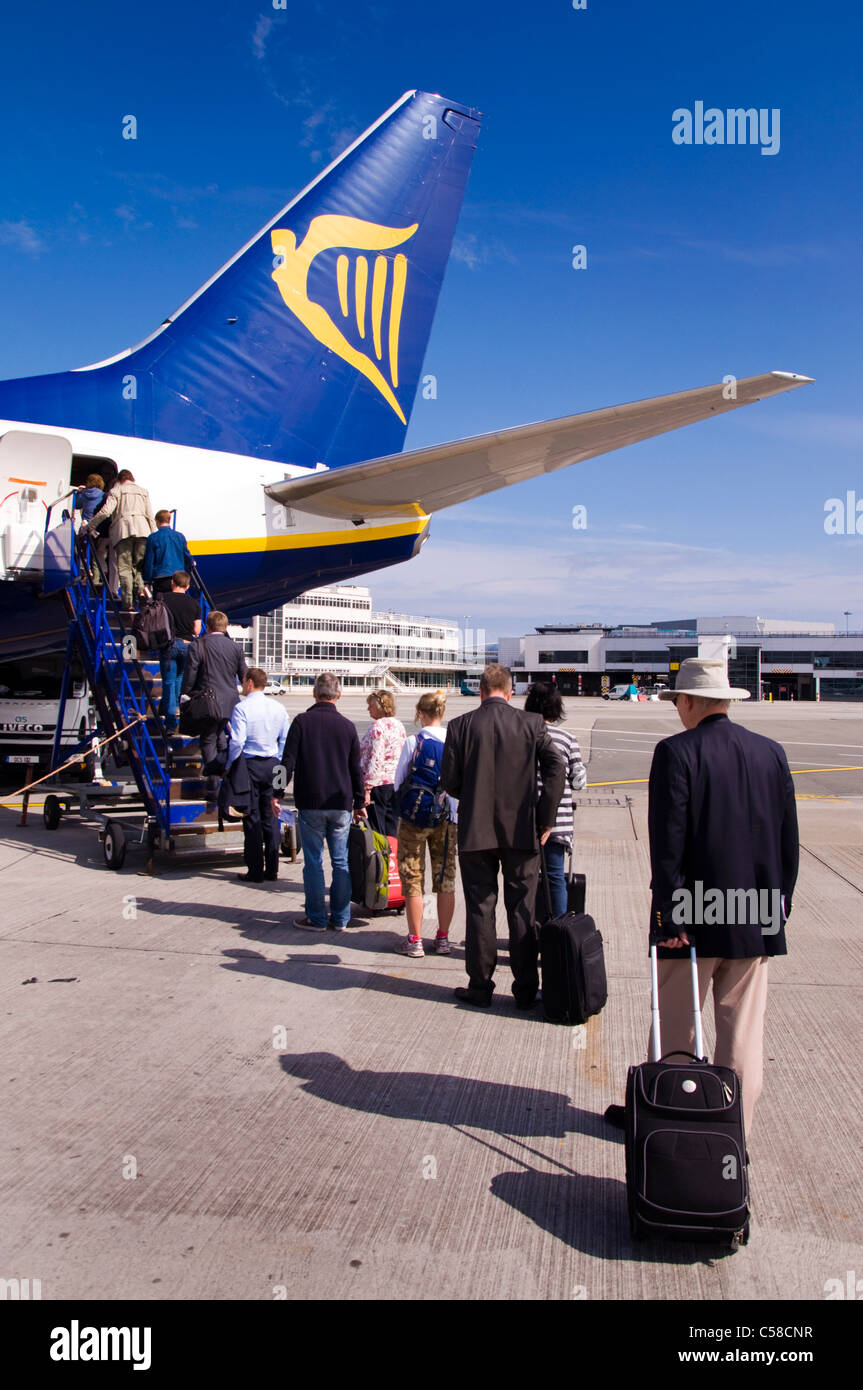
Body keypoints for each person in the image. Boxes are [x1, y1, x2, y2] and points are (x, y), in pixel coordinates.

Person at [604, 658, 799, 1137]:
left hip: (692, 916)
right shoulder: (770, 752)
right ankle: (733, 1134)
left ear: (688, 702)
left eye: (678, 703)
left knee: (677, 1031)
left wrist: (669, 918)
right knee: (742, 1036)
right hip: (755, 914)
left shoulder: (676, 752)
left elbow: (668, 843)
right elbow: (787, 840)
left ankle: (674, 1126)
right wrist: (778, 907)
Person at [441, 663, 565, 1009]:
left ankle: (480, 987)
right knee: (522, 909)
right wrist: (545, 816)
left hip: (475, 830)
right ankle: (526, 988)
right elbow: (557, 766)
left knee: (481, 908)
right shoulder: (531, 724)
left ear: (481, 691)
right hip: (522, 830)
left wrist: (475, 793)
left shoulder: (461, 725)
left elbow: (449, 781)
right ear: (510, 693)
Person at [280, 672, 365, 931]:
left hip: (311, 803)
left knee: (313, 862)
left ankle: (316, 918)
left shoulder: (302, 722)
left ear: (314, 693)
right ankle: (340, 918)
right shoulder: (348, 727)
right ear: (338, 695)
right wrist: (360, 802)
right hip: (341, 804)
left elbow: (286, 763)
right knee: (341, 861)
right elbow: (356, 770)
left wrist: (275, 794)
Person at [392, 691, 458, 958]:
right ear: (442, 713)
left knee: (413, 877)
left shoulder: (413, 742)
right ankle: (442, 938)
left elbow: (398, 781)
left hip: (414, 819)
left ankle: (415, 939)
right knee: (445, 879)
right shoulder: (455, 742)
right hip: (446, 818)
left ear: (421, 713)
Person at [524, 682, 587, 919]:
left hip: (525, 819)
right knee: (555, 877)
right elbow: (579, 781)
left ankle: (525, 934)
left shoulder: (522, 736)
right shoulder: (567, 739)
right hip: (557, 821)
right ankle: (559, 931)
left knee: (524, 881)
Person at [226, 667, 290, 883]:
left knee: (251, 818)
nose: (242, 685)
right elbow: (285, 742)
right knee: (271, 817)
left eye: (243, 681)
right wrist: (279, 765)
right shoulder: (279, 708)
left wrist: (230, 764)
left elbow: (237, 742)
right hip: (274, 763)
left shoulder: (242, 708)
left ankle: (255, 870)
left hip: (250, 764)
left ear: (250, 683)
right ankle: (272, 869)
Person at [180, 610, 247, 775]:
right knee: (220, 736)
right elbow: (244, 675)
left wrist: (185, 694)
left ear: (207, 627)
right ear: (225, 627)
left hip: (208, 701)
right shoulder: (236, 647)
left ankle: (213, 781)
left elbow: (191, 673)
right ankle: (224, 775)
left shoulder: (199, 644)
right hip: (230, 701)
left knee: (208, 739)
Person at [85, 469, 155, 610]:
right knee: (139, 565)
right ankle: (141, 591)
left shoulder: (116, 491)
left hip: (123, 532)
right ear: (132, 478)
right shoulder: (143, 491)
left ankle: (128, 602)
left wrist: (89, 526)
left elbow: (106, 512)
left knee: (125, 568)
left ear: (120, 479)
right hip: (143, 531)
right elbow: (150, 515)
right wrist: (154, 536)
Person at [158, 571, 202, 732]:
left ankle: (170, 723)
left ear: (172, 583)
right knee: (179, 681)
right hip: (187, 645)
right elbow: (197, 630)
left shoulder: (162, 599)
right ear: (188, 586)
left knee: (169, 683)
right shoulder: (194, 604)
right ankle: (173, 708)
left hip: (169, 644)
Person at [358, 689, 406, 835]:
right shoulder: (399, 725)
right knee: (392, 828)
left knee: (376, 829)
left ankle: (379, 857)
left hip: (378, 785)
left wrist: (367, 789)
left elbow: (375, 759)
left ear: (380, 707)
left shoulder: (377, 727)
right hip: (395, 783)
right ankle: (392, 856)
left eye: (370, 705)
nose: (368, 708)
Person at [142, 511, 196, 594]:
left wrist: (147, 580)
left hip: (161, 578)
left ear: (157, 521)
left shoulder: (153, 538)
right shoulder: (179, 536)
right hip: (178, 577)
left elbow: (149, 561)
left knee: (161, 604)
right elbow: (186, 554)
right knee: (178, 602)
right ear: (169, 520)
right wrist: (191, 562)